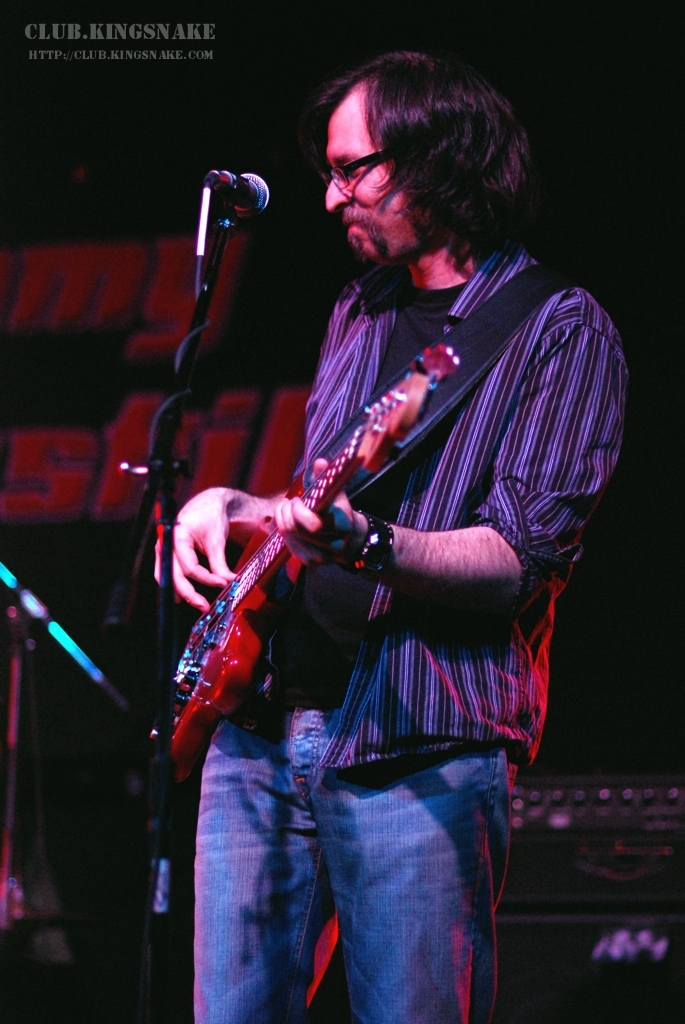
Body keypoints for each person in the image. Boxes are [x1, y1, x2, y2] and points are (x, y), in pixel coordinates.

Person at [160, 52, 627, 1024]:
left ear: (439, 158)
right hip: (259, 731)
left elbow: (518, 561)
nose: (331, 198)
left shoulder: (557, 328)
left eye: (352, 169)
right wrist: (234, 507)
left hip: (415, 742)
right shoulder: (359, 308)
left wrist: (370, 547)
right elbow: (316, 500)